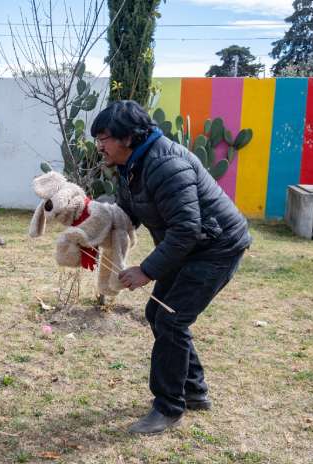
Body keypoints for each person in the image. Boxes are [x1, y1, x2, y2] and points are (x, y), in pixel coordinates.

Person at [90, 100, 251, 435]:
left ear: (128, 138)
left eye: (104, 138)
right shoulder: (132, 164)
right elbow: (128, 212)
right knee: (159, 315)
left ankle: (168, 408)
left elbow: (186, 229)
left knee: (170, 319)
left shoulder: (166, 165)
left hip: (215, 247)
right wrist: (86, 224)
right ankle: (194, 391)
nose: (99, 146)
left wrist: (146, 270)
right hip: (192, 245)